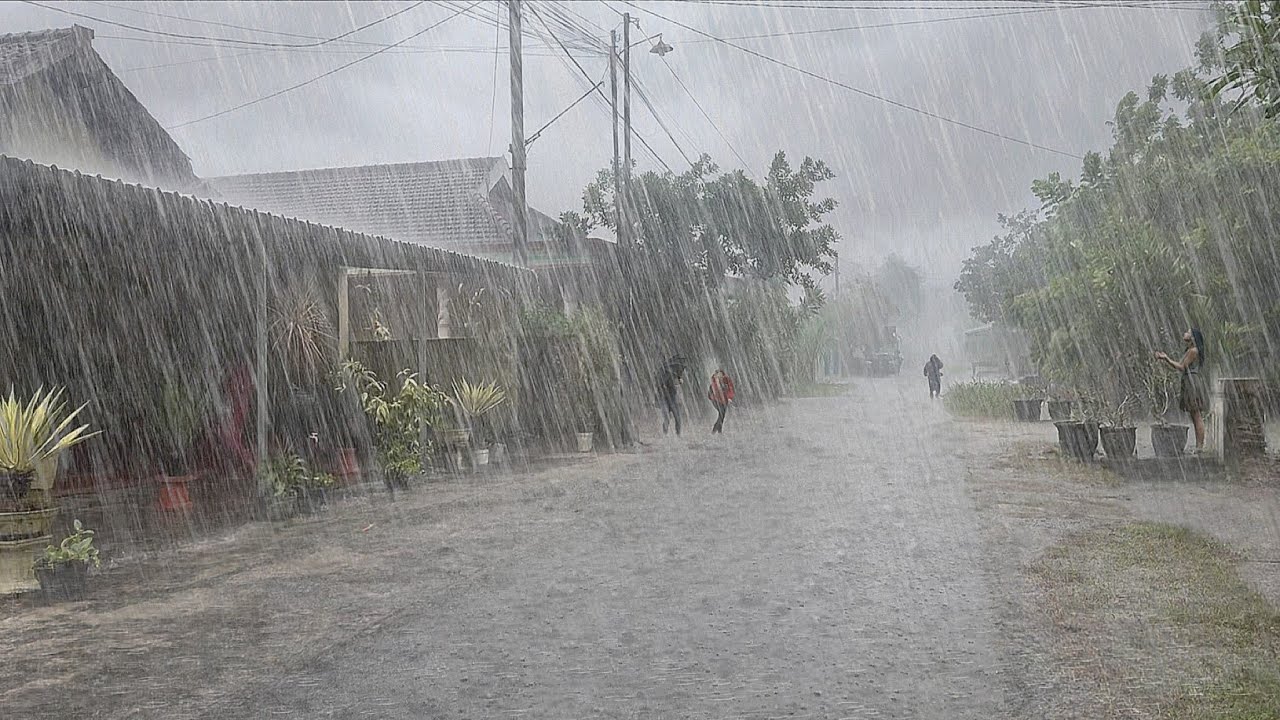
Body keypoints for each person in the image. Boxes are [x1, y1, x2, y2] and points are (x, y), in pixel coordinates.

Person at [1155, 327, 1207, 453]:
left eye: (1188, 332)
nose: (1185, 333)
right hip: (1190, 380)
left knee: (1196, 415)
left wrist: (1166, 358)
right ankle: (1198, 445)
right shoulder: (1191, 350)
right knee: (1194, 415)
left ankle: (1199, 446)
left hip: (1191, 382)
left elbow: (1182, 367)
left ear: (1193, 337)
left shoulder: (1193, 351)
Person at [656, 357, 686, 436]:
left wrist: (679, 381)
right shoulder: (664, 376)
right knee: (667, 418)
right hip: (664, 399)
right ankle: (665, 434)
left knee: (677, 418)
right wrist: (665, 385)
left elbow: (676, 385)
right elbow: (660, 386)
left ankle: (677, 434)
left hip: (673, 399)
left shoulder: (675, 375)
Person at [708, 369, 735, 433]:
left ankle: (718, 429)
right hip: (716, 400)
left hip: (724, 400)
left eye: (721, 374)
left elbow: (730, 389)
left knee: (722, 415)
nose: (719, 376)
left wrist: (729, 397)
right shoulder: (714, 383)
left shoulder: (727, 381)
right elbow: (710, 393)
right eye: (718, 374)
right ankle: (715, 429)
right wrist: (713, 398)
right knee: (721, 413)